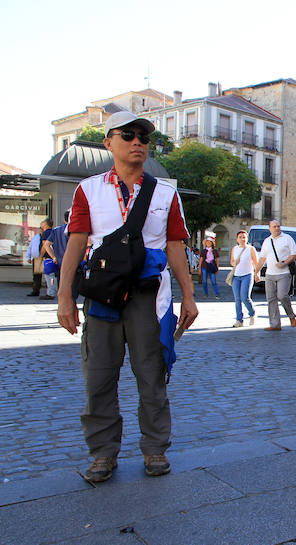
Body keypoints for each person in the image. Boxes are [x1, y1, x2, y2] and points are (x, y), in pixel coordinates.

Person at [56, 111, 198, 483]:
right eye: (128, 135)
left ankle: (154, 449)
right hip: (102, 296)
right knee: (99, 376)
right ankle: (103, 454)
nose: (137, 142)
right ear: (109, 143)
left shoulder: (165, 193)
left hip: (148, 297)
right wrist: (65, 298)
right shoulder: (88, 189)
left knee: (152, 374)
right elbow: (75, 244)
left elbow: (174, 247)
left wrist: (189, 296)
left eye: (144, 137)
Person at [255, 220, 296, 331]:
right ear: (270, 228)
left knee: (282, 296)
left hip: (284, 273)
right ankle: (275, 324)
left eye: (278, 226)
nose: (277, 228)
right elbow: (262, 258)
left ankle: (291, 315)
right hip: (270, 274)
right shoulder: (267, 241)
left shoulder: (287, 238)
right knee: (271, 299)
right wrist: (256, 272)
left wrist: (284, 263)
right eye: (274, 226)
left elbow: (294, 254)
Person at [230, 230, 258, 327]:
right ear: (237, 239)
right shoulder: (235, 249)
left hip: (247, 275)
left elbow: (256, 263)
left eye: (244, 237)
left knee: (245, 297)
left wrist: (256, 273)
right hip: (236, 276)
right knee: (237, 299)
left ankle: (252, 313)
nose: (242, 239)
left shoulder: (251, 249)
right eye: (240, 237)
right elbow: (232, 262)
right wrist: (235, 262)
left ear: (247, 238)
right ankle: (239, 320)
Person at [26, 223, 47, 297]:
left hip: (46, 258)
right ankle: (35, 291)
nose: (42, 230)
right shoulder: (35, 237)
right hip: (37, 259)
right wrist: (28, 257)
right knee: (36, 276)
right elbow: (30, 247)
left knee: (49, 276)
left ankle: (51, 292)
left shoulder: (48, 236)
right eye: (41, 229)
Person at [39, 218, 56, 300]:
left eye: (42, 223)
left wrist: (40, 256)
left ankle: (50, 293)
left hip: (48, 258)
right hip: (54, 257)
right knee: (52, 275)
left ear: (45, 224)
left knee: (49, 276)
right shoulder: (54, 232)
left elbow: (45, 245)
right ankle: (52, 291)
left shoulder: (46, 233)